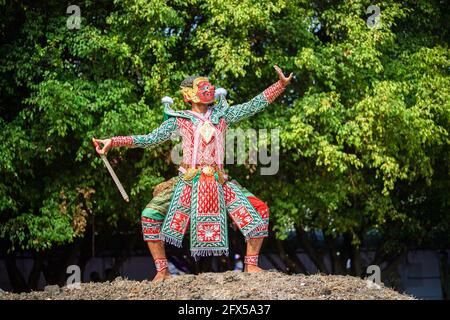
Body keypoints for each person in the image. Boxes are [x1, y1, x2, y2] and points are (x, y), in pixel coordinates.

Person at [93, 65, 293, 281]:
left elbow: (253, 106)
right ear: (188, 95)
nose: (208, 89)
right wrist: (114, 141)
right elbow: (150, 139)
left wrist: (280, 85)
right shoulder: (179, 120)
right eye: (202, 86)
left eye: (209, 85)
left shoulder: (223, 115)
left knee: (260, 210)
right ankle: (162, 271)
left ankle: (251, 265)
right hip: (188, 182)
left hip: (219, 182)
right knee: (149, 216)